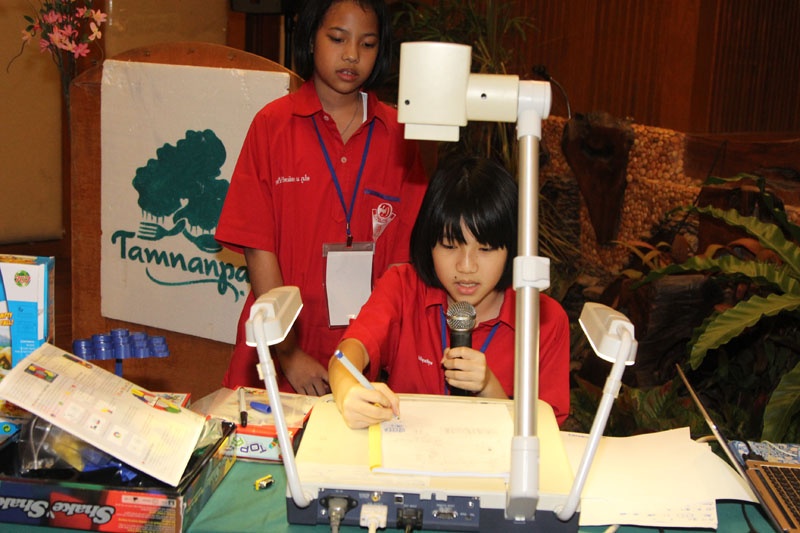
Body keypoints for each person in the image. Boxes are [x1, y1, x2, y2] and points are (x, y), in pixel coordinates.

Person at [216, 0, 428, 395]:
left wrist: (367, 348)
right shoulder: (271, 126)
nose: (352, 55)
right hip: (279, 350)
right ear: (311, 39)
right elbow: (258, 248)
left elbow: (403, 264)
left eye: (367, 44)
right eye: (337, 38)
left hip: (370, 354)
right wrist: (289, 354)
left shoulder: (400, 135)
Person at [329, 155, 570, 428]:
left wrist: (489, 388)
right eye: (449, 245)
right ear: (428, 243)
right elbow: (348, 352)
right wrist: (347, 389)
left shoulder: (545, 320)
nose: (466, 267)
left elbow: (545, 435)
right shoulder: (403, 287)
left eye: (485, 249)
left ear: (512, 249)